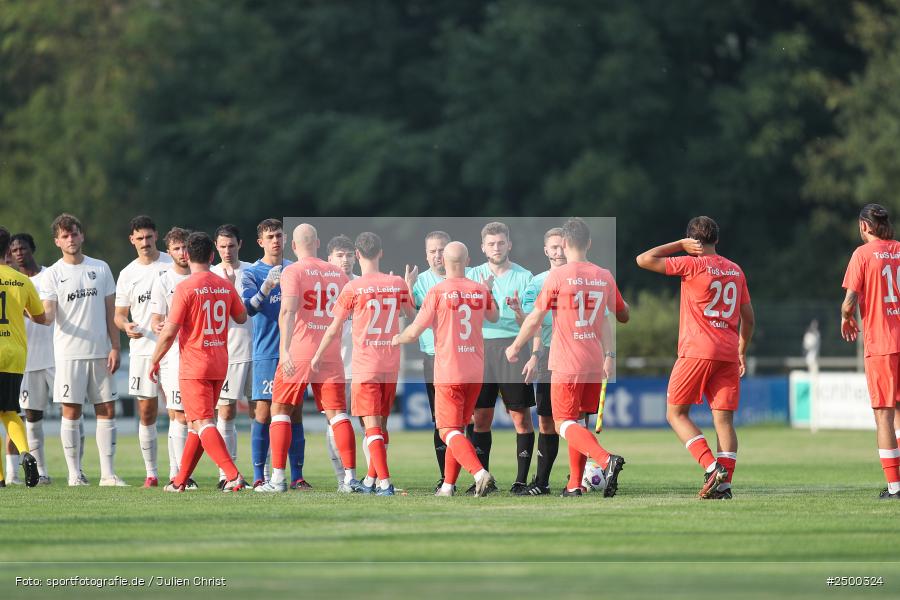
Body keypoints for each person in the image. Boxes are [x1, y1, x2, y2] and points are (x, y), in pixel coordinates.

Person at [507, 218, 629, 497]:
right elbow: (621, 315)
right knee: (579, 421)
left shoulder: (558, 276)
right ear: (589, 243)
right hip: (593, 360)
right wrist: (610, 354)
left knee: (562, 423)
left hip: (566, 360)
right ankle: (575, 484)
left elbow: (535, 318)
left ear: (564, 243)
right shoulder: (604, 275)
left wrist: (515, 346)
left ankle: (606, 460)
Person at [636, 215, 754, 500]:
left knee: (675, 414)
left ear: (692, 240)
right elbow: (749, 319)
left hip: (697, 350)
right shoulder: (735, 270)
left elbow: (643, 259)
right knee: (724, 421)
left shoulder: (691, 264)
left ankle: (712, 467)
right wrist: (741, 349)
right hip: (728, 351)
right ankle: (723, 487)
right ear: (717, 239)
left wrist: (679, 245)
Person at [255, 224, 357, 493]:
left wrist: (285, 350)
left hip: (300, 350)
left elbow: (288, 311)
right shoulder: (338, 274)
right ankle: (350, 479)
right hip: (330, 351)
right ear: (318, 243)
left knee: (280, 410)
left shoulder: (293, 271)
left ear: (293, 245)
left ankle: (277, 479)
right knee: (337, 414)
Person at [312, 232, 415, 496]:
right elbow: (410, 315)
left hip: (364, 365)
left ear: (357, 255)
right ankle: (370, 480)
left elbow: (333, 328)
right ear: (381, 253)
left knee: (370, 427)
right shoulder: (396, 283)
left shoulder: (353, 288)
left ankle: (384, 483)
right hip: (390, 365)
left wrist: (317, 355)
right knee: (379, 426)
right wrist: (408, 287)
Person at [393, 241, 498, 497]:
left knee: (447, 431)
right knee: (458, 429)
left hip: (449, 371)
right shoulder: (479, 290)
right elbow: (494, 317)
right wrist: (488, 290)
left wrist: (396, 338)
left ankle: (479, 473)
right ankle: (448, 486)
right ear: (468, 261)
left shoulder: (438, 291)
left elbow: (414, 331)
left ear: (445, 262)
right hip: (475, 371)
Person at [150, 232, 248, 492]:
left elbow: (169, 331)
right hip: (220, 362)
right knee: (197, 424)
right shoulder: (224, 285)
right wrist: (232, 286)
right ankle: (180, 481)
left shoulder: (185, 287)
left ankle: (232, 475)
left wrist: (154, 360)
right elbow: (241, 317)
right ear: (212, 255)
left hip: (195, 364)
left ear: (187, 255)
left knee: (203, 422)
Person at [41, 213, 126, 486]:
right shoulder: (53, 274)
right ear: (57, 241)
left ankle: (108, 474)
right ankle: (74, 474)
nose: (71, 239)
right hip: (68, 355)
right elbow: (49, 313)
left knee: (107, 410)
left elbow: (111, 312)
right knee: (71, 412)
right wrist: (35, 315)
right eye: (65, 236)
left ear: (82, 236)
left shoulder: (100, 268)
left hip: (100, 352)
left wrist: (115, 346)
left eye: (74, 234)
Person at [467, 222, 535, 495]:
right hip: (479, 349)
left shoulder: (525, 276)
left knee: (520, 417)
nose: (496, 248)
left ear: (509, 244)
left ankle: (520, 481)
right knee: (480, 417)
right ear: (483, 247)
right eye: (491, 244)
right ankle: (483, 479)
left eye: (501, 243)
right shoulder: (471, 275)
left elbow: (530, 322)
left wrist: (518, 311)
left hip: (513, 347)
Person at [241, 219, 307, 489]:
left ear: (286, 238)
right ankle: (260, 475)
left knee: (295, 412)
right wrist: (266, 288)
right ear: (261, 242)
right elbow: (248, 308)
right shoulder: (252, 273)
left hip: (295, 351)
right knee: (264, 412)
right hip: (267, 351)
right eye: (270, 237)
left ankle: (297, 476)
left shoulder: (296, 269)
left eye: (279, 235)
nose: (275, 241)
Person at [841, 204, 900, 499]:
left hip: (882, 344)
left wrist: (846, 317)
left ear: (865, 225)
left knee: (884, 416)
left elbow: (849, 301)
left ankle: (895, 487)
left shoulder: (862, 254)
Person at [114, 215, 172, 488]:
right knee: (147, 411)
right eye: (140, 238)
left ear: (156, 236)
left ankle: (180, 473)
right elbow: (119, 314)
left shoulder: (171, 264)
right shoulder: (127, 273)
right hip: (142, 350)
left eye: (149, 237)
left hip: (173, 349)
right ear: (132, 240)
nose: (145, 242)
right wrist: (126, 325)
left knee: (179, 411)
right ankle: (152, 473)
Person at [519, 227, 565, 495]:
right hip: (549, 355)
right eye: (554, 247)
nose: (559, 252)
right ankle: (542, 482)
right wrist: (535, 355)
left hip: (581, 355)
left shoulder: (584, 278)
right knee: (547, 421)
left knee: (577, 421)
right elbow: (533, 323)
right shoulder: (537, 283)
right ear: (546, 250)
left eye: (563, 246)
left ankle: (580, 479)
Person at [0, 226, 47, 488]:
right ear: (8, 250)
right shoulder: (22, 280)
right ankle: (26, 453)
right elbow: (40, 317)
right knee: (9, 410)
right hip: (15, 353)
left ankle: (0, 478)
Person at [150, 228, 195, 487]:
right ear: (169, 252)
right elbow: (156, 320)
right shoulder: (164, 281)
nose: (182, 252)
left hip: (199, 352)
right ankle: (181, 476)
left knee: (194, 416)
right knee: (179, 414)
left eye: (185, 247)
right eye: (177, 248)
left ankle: (177, 471)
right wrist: (159, 326)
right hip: (174, 355)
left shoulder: (201, 275)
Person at [8, 233, 54, 485]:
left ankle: (76, 472)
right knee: (25, 416)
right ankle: (28, 473)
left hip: (55, 355)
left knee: (73, 413)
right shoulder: (13, 280)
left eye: (22, 248)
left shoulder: (50, 275)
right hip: (25, 358)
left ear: (32, 249)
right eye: (14, 250)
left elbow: (46, 316)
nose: (18, 253)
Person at [211, 224, 253, 488]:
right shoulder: (211, 275)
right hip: (226, 353)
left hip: (256, 350)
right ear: (216, 247)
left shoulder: (252, 271)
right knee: (225, 413)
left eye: (232, 246)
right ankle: (227, 475)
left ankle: (263, 475)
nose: (227, 251)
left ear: (240, 245)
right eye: (223, 246)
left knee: (261, 413)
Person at [410, 231, 452, 490]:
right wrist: (408, 287)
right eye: (433, 251)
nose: (438, 255)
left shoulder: (467, 276)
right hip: (433, 357)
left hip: (464, 356)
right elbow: (408, 314)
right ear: (426, 255)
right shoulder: (420, 282)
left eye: (442, 250)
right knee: (440, 420)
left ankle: (477, 475)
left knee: (471, 418)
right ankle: (445, 477)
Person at [324, 234, 357, 486]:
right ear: (329, 259)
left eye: (349, 255)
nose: (345, 260)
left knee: (372, 424)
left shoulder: (362, 284)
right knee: (335, 420)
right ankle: (342, 478)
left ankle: (375, 478)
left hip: (363, 366)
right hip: (334, 367)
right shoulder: (323, 288)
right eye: (339, 255)